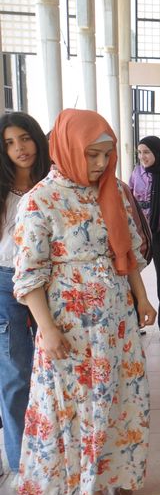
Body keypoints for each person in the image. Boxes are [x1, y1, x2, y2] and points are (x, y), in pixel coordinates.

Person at [13, 109, 156, 495]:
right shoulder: (39, 200)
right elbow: (28, 276)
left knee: (120, 398)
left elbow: (126, 252)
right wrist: (48, 329)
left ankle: (115, 475)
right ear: (70, 150)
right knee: (82, 407)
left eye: (106, 155)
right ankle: (89, 492)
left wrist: (142, 298)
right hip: (71, 326)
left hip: (116, 320)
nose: (99, 164)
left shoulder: (110, 191)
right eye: (92, 155)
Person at [0, 112, 51, 476]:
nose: (20, 148)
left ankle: (59, 458)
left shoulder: (54, 183)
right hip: (6, 284)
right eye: (9, 142)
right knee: (17, 372)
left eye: (25, 138)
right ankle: (23, 465)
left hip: (54, 283)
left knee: (56, 369)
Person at [129, 135, 160, 340]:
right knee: (132, 273)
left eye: (147, 152)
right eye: (139, 152)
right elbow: (129, 199)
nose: (142, 156)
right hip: (140, 231)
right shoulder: (136, 174)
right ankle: (135, 321)